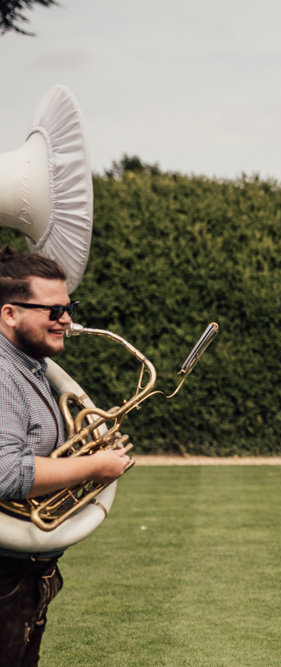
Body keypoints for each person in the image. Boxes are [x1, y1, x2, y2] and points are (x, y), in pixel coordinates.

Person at [0, 247, 131, 666]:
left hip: (24, 570)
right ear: (9, 314)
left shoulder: (29, 367)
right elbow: (6, 474)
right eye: (53, 310)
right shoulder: (3, 373)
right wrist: (95, 465)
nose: (67, 320)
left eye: (69, 307)